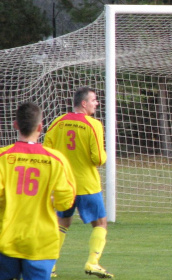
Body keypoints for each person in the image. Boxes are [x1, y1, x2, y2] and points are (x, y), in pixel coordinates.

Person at [0, 102, 76, 280]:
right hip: (41, 241)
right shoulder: (57, 160)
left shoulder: (3, 157)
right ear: (40, 127)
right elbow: (66, 201)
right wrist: (51, 200)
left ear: (15, 125)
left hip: (7, 238)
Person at [44, 87, 113, 278]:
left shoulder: (57, 122)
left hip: (63, 184)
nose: (96, 103)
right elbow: (98, 158)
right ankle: (93, 262)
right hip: (86, 184)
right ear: (84, 103)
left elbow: (47, 152)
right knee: (100, 223)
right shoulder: (93, 125)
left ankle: (49, 266)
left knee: (62, 221)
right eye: (94, 100)